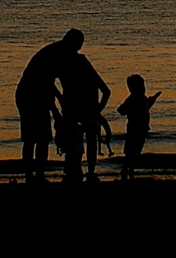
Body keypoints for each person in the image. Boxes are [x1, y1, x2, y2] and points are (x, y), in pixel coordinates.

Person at [15, 28, 84, 182]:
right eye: (77, 46)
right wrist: (55, 110)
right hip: (29, 95)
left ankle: (37, 175)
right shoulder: (57, 54)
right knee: (34, 138)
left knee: (40, 138)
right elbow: (44, 83)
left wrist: (59, 98)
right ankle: (32, 175)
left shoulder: (57, 51)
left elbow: (49, 81)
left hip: (30, 93)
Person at [58, 50, 110, 182]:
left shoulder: (67, 70)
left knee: (75, 141)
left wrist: (97, 111)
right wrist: (97, 111)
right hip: (84, 111)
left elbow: (106, 91)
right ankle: (89, 171)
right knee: (87, 140)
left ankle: (78, 171)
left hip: (79, 111)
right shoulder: (86, 70)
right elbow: (106, 91)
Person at [117, 74, 160, 179]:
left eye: (143, 86)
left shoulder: (143, 98)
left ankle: (131, 169)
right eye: (141, 87)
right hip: (134, 128)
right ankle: (126, 169)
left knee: (136, 150)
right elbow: (121, 110)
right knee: (130, 150)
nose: (143, 89)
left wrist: (153, 99)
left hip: (142, 128)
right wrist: (129, 110)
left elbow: (147, 106)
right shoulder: (132, 99)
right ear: (132, 89)